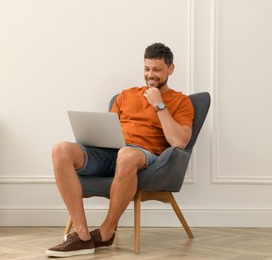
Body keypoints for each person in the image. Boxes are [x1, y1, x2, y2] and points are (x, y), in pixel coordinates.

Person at [45, 42, 194, 257]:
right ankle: (82, 236)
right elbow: (110, 130)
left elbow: (179, 142)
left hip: (144, 156)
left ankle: (106, 233)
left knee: (126, 154)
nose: (150, 75)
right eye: (147, 69)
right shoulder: (125, 95)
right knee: (60, 150)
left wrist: (159, 105)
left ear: (170, 69)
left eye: (157, 70)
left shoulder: (181, 101)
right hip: (110, 151)